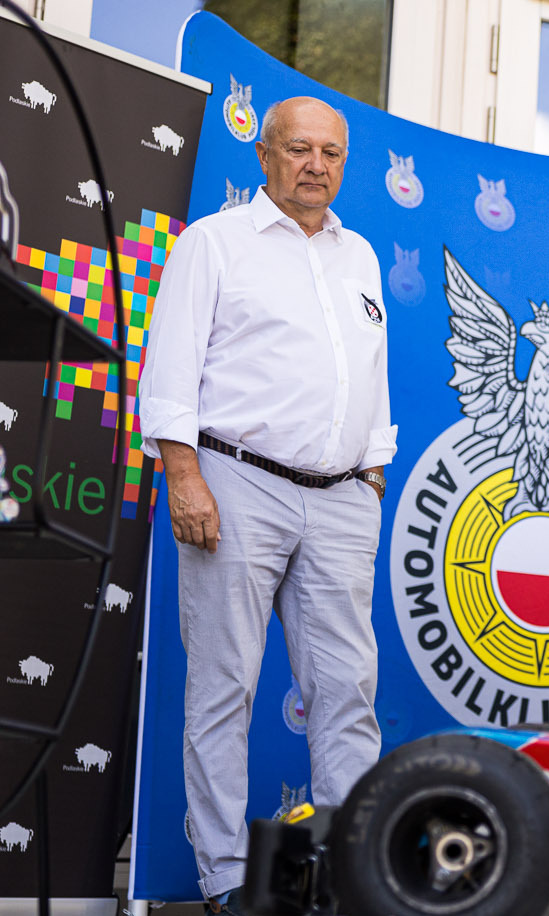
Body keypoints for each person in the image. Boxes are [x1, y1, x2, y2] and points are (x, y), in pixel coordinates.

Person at [138, 97, 393, 915]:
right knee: (223, 689)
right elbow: (170, 369)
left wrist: (375, 466)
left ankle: (351, 873)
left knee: (348, 689)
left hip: (344, 497)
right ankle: (224, 878)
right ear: (264, 156)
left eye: (331, 153)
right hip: (237, 484)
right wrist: (185, 475)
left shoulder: (360, 255)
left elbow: (367, 371)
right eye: (298, 149)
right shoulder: (213, 243)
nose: (316, 165)